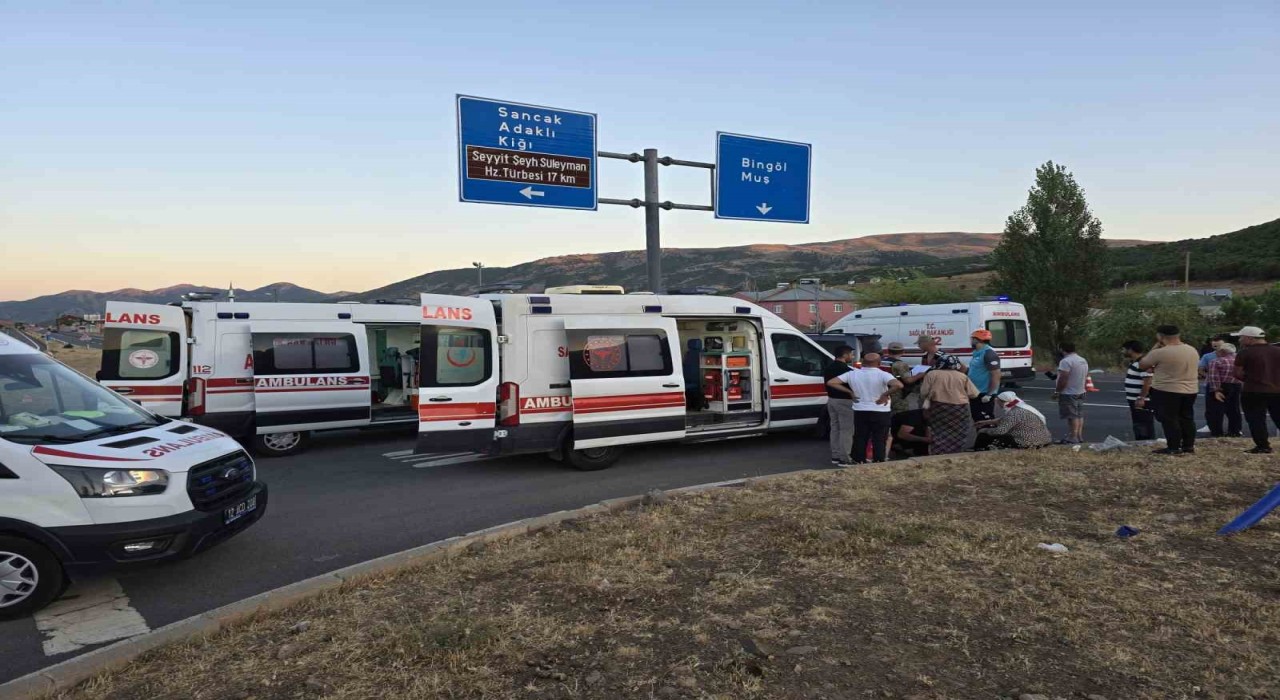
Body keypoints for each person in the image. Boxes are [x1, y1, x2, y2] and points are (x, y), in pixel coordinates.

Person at [827, 351, 902, 464]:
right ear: (879, 363)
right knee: (880, 438)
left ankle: (859, 460)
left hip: (860, 409)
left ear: (863, 362)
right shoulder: (883, 374)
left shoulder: (852, 373)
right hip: (880, 410)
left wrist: (850, 392)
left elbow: (832, 382)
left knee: (860, 437)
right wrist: (884, 395)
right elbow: (898, 385)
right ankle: (879, 460)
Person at [1139, 324, 1201, 456]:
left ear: (1160, 336)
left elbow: (1143, 364)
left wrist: (1155, 347)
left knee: (1169, 419)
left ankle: (1173, 447)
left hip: (1167, 389)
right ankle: (1188, 446)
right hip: (1191, 389)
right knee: (1187, 418)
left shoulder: (1160, 352)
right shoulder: (1191, 350)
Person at [1232, 326, 1280, 454]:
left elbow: (1237, 373)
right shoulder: (1277, 350)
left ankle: (1263, 445)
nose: (1240, 340)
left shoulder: (1245, 352)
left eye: (1241, 337)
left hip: (1253, 390)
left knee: (1256, 420)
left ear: (1250, 338)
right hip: (1277, 390)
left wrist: (1249, 378)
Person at [920, 355, 979, 454]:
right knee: (959, 433)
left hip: (938, 408)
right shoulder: (962, 376)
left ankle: (938, 452)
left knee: (938, 431)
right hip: (960, 409)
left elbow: (923, 393)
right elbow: (974, 394)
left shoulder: (932, 374)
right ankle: (956, 452)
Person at [974, 391, 1052, 450]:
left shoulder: (1013, 413)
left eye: (998, 402)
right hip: (1044, 440)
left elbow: (1000, 431)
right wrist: (986, 422)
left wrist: (985, 430)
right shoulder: (1023, 408)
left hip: (1028, 443)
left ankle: (979, 450)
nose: (997, 404)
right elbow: (1005, 419)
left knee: (983, 436)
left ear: (1003, 402)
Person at [822, 345, 857, 466]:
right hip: (845, 401)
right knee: (846, 430)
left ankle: (835, 455)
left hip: (831, 400)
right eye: (851, 354)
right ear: (845, 355)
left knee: (835, 428)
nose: (852, 356)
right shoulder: (847, 370)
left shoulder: (828, 367)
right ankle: (845, 458)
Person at [1051, 341, 1089, 444]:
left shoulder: (1066, 361)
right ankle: (1079, 436)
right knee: (1079, 415)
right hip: (1080, 390)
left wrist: (1057, 391)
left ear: (1062, 349)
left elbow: (1063, 378)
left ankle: (1073, 437)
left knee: (1072, 416)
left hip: (1068, 392)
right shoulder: (1082, 360)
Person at [1205, 342, 1243, 438]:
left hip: (1222, 386)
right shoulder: (1239, 361)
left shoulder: (1216, 361)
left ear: (1222, 351)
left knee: (1216, 410)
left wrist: (1215, 390)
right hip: (1236, 385)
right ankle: (1235, 431)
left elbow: (1214, 377)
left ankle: (1217, 432)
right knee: (1234, 409)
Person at [1122, 340, 1156, 440]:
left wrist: (1141, 398)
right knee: (1138, 423)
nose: (1122, 352)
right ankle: (1141, 441)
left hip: (1141, 400)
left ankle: (1146, 442)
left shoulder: (1143, 363)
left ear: (1131, 350)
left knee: (1144, 424)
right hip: (1134, 399)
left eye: (1124, 349)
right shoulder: (1136, 363)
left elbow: (1148, 382)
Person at [967, 329, 1002, 422]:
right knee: (977, 419)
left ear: (977, 340)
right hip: (975, 392)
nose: (971, 341)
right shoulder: (977, 353)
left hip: (984, 394)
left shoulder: (989, 354)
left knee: (985, 420)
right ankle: (982, 435)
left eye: (972, 339)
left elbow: (996, 375)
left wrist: (989, 394)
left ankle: (989, 436)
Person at [880, 342, 913, 414]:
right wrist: (920, 374)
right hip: (896, 394)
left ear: (888, 351)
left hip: (881, 391)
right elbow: (908, 380)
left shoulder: (881, 361)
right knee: (900, 415)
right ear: (903, 352)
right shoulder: (900, 364)